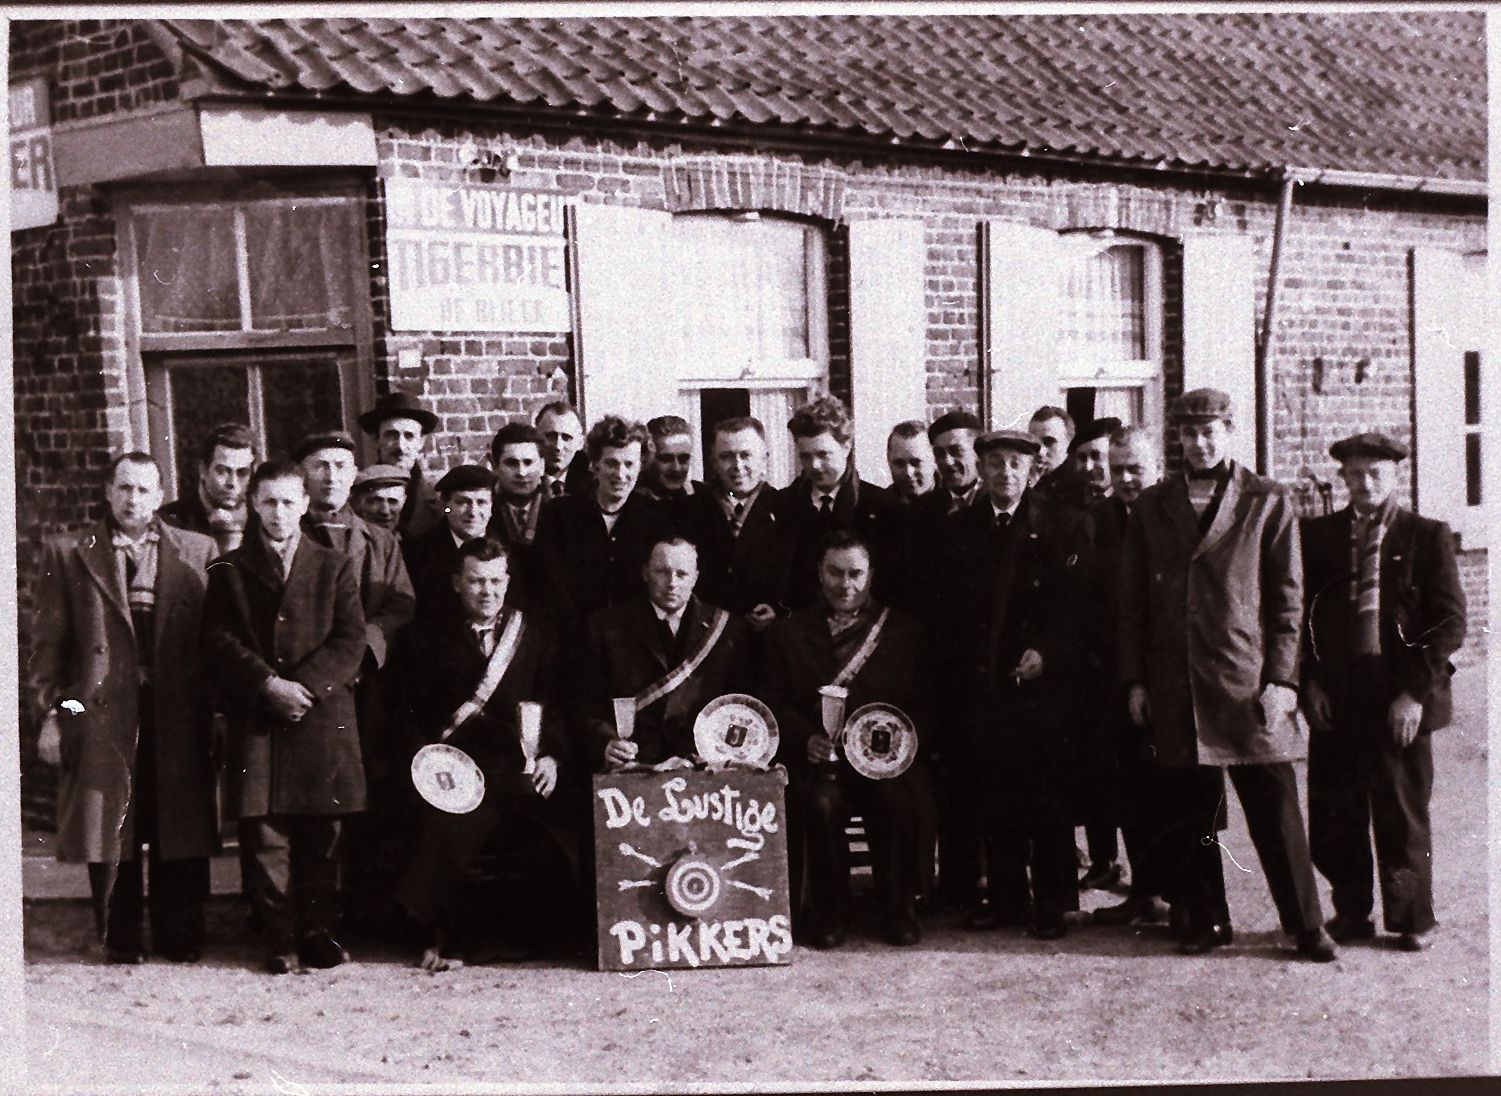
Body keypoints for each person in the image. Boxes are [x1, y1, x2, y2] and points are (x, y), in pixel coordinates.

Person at [1119, 388, 1336, 962]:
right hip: (1176, 682)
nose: (1200, 442)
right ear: (1178, 440)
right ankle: (1206, 919)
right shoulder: (1152, 505)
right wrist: (1137, 680)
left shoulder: (1267, 501)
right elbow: (1134, 601)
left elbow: (1289, 601)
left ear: (1230, 430)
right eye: (1189, 433)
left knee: (1275, 805)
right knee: (1191, 809)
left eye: (1210, 430)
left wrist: (1283, 680)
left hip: (1246, 681)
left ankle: (1306, 925)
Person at [31, 453, 219, 964]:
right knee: (112, 822)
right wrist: (51, 712)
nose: (133, 499)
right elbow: (48, 644)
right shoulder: (71, 552)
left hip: (174, 709)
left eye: (143, 490)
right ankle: (121, 937)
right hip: (104, 712)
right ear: (108, 493)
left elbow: (212, 640)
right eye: (124, 488)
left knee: (174, 821)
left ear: (160, 495)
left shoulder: (198, 550)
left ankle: (179, 933)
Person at [1301, 431, 1466, 952]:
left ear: (1395, 476)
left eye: (1376, 473)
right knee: (1335, 810)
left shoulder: (1425, 536)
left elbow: (1450, 622)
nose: (1365, 482)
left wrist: (1414, 694)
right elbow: (1300, 616)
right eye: (1355, 474)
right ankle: (1350, 913)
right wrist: (1310, 684)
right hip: (1339, 692)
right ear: (1343, 478)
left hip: (1399, 695)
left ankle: (1411, 918)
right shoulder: (1320, 537)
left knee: (1400, 811)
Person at [201, 459, 368, 973]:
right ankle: (279, 936)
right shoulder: (228, 570)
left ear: (305, 503)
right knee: (265, 833)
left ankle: (318, 932)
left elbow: (350, 639)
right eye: (269, 501)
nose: (278, 513)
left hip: (320, 717)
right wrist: (267, 684)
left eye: (289, 501)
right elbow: (217, 640)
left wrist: (307, 687)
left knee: (322, 832)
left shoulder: (333, 564)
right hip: (259, 716)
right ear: (253, 504)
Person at [393, 537, 580, 972]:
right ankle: (445, 938)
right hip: (452, 770)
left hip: (519, 768)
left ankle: (538, 936)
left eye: (496, 581)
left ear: (508, 582)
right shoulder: (421, 638)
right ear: (457, 583)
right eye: (476, 581)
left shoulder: (536, 635)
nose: (487, 591)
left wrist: (552, 757)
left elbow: (555, 704)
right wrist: (424, 768)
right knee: (445, 829)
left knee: (561, 830)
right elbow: (406, 716)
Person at [937, 430, 1092, 939]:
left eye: (1016, 464)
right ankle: (1006, 898)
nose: (1006, 473)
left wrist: (1048, 652)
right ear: (981, 470)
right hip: (987, 683)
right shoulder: (962, 530)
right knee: (995, 790)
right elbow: (956, 610)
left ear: (1034, 470)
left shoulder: (1064, 526)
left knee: (1045, 794)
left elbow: (1079, 607)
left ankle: (1052, 903)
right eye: (996, 463)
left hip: (1043, 684)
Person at [762, 530, 937, 948]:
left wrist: (898, 744)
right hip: (818, 763)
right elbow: (773, 702)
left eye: (855, 573)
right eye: (835, 573)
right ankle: (830, 910)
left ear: (871, 575)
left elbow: (926, 704)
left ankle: (896, 908)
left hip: (883, 765)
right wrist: (804, 739)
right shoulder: (788, 634)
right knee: (820, 805)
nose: (846, 585)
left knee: (896, 803)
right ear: (819, 574)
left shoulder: (903, 632)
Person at [295, 431, 417, 932]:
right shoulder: (288, 534)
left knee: (366, 794)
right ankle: (305, 914)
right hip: (304, 689)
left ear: (354, 477)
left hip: (364, 688)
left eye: (341, 467)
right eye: (320, 466)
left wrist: (362, 647)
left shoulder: (379, 542)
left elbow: (401, 605)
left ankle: (367, 911)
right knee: (306, 800)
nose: (330, 477)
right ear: (304, 474)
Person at [1090, 426, 1175, 928]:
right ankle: (1145, 890)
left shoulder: (1173, 517)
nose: (1124, 478)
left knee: (1173, 789)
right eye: (1116, 469)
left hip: (1163, 674)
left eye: (1134, 469)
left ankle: (1181, 892)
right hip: (1112, 677)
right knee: (1129, 788)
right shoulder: (1098, 521)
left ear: (1157, 468)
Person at [580, 537, 753, 770]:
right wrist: (606, 742)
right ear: (645, 573)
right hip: (632, 764)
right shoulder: (605, 626)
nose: (672, 583)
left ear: (695, 578)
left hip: (704, 766)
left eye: (682, 574)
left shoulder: (728, 629)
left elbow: (739, 707)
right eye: (662, 572)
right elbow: (586, 703)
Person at [533, 415, 667, 630]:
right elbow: (551, 587)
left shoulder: (657, 519)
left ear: (640, 467)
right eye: (611, 463)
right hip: (576, 637)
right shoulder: (559, 515)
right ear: (595, 465)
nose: (621, 474)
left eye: (629, 464)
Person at [1066, 415, 1125, 891]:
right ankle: (1104, 859)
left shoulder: (1128, 514)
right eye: (1082, 458)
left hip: (1121, 660)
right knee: (1094, 768)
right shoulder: (1070, 511)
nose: (1091, 467)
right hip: (1082, 661)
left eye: (1098, 458)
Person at [774, 395, 893, 612]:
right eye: (806, 456)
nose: (815, 466)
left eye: (823, 454)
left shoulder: (879, 506)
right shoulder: (783, 506)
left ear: (846, 447)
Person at [679, 416, 789, 632]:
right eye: (727, 456)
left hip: (767, 637)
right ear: (713, 462)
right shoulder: (690, 511)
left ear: (764, 458)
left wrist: (779, 608)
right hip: (707, 636)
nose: (738, 466)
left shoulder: (787, 509)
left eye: (746, 455)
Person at [402, 464, 497, 626]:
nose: (473, 512)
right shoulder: (416, 553)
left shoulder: (509, 551)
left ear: (491, 507)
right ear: (446, 506)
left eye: (481, 502)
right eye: (462, 502)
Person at [158, 422, 256, 554]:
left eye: (242, 473)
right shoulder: (168, 523)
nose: (232, 483)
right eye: (223, 471)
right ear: (203, 470)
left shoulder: (263, 518)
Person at [358, 391, 442, 540]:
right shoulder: (358, 495)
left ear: (421, 442)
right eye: (391, 435)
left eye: (409, 436)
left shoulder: (438, 498)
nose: (400, 446)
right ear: (376, 439)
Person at [486, 421, 550, 609]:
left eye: (529, 463)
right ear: (495, 466)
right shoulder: (482, 513)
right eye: (511, 463)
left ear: (543, 465)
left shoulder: (561, 512)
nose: (522, 473)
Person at [640, 415, 702, 507]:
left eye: (683, 459)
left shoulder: (703, 496)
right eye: (666, 459)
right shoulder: (628, 501)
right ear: (645, 458)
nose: (676, 468)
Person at [535, 400, 590, 498]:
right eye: (551, 436)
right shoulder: (523, 478)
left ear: (580, 443)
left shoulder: (592, 485)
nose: (558, 446)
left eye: (566, 438)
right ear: (535, 438)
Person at [1026, 405, 1076, 498]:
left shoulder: (1080, 484)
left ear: (1069, 443)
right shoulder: (1027, 480)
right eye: (1034, 443)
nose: (1040, 452)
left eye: (1049, 442)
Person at [885, 420, 935, 503]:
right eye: (899, 463)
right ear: (888, 460)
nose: (908, 472)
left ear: (934, 459)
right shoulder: (880, 508)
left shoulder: (955, 502)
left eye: (916, 463)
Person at [351, 464, 409, 534]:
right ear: (356, 503)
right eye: (376, 501)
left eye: (393, 502)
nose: (385, 511)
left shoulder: (412, 542)